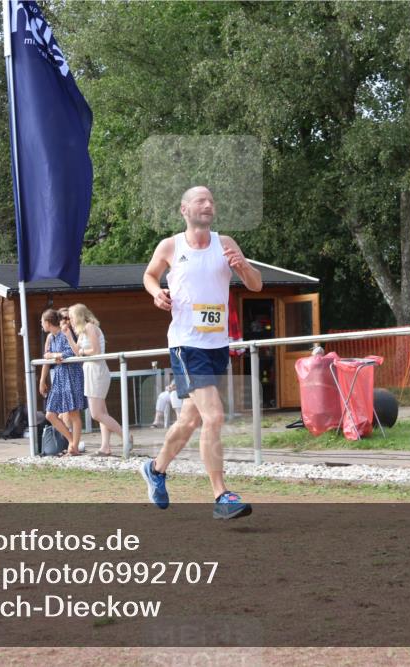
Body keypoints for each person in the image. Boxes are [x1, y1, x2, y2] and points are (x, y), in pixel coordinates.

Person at [141, 185, 262, 520]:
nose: (208, 205)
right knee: (214, 416)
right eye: (200, 201)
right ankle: (221, 494)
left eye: (211, 201)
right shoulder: (170, 246)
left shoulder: (225, 244)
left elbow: (256, 285)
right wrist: (157, 292)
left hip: (216, 345)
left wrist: (243, 268)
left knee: (191, 418)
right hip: (185, 343)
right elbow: (149, 276)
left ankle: (156, 468)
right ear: (185, 209)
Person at [68, 303, 128, 456]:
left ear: (79, 316)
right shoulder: (81, 332)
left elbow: (96, 351)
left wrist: (81, 351)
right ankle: (105, 447)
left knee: (96, 414)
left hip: (97, 370)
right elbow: (77, 353)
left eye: (72, 317)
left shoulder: (90, 327)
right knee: (102, 412)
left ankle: (126, 436)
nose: (70, 320)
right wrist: (69, 336)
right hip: (89, 369)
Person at [38, 309, 85, 456]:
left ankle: (74, 447)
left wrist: (55, 355)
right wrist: (51, 355)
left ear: (47, 322)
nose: (41, 325)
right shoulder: (51, 338)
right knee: (50, 414)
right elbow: (49, 355)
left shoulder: (65, 333)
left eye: (42, 322)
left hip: (71, 375)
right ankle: (71, 441)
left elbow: (72, 352)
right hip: (59, 376)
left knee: (73, 413)